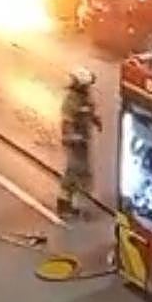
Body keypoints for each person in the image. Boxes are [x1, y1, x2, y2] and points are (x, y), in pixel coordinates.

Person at [59, 67, 101, 218]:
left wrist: (96, 120)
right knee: (72, 172)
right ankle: (63, 206)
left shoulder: (85, 97)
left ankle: (79, 203)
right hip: (74, 142)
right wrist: (72, 137)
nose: (88, 88)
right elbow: (67, 122)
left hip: (83, 140)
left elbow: (89, 110)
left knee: (83, 172)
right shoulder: (71, 100)